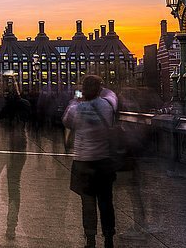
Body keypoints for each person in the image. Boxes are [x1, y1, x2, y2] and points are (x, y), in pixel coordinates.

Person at [63, 75, 118, 248]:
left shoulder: (76, 108)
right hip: (103, 160)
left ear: (84, 89)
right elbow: (112, 96)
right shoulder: (107, 105)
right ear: (99, 89)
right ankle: (108, 237)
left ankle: (91, 238)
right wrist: (102, 90)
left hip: (83, 161)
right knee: (106, 201)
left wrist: (77, 99)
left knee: (87, 202)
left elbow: (66, 121)